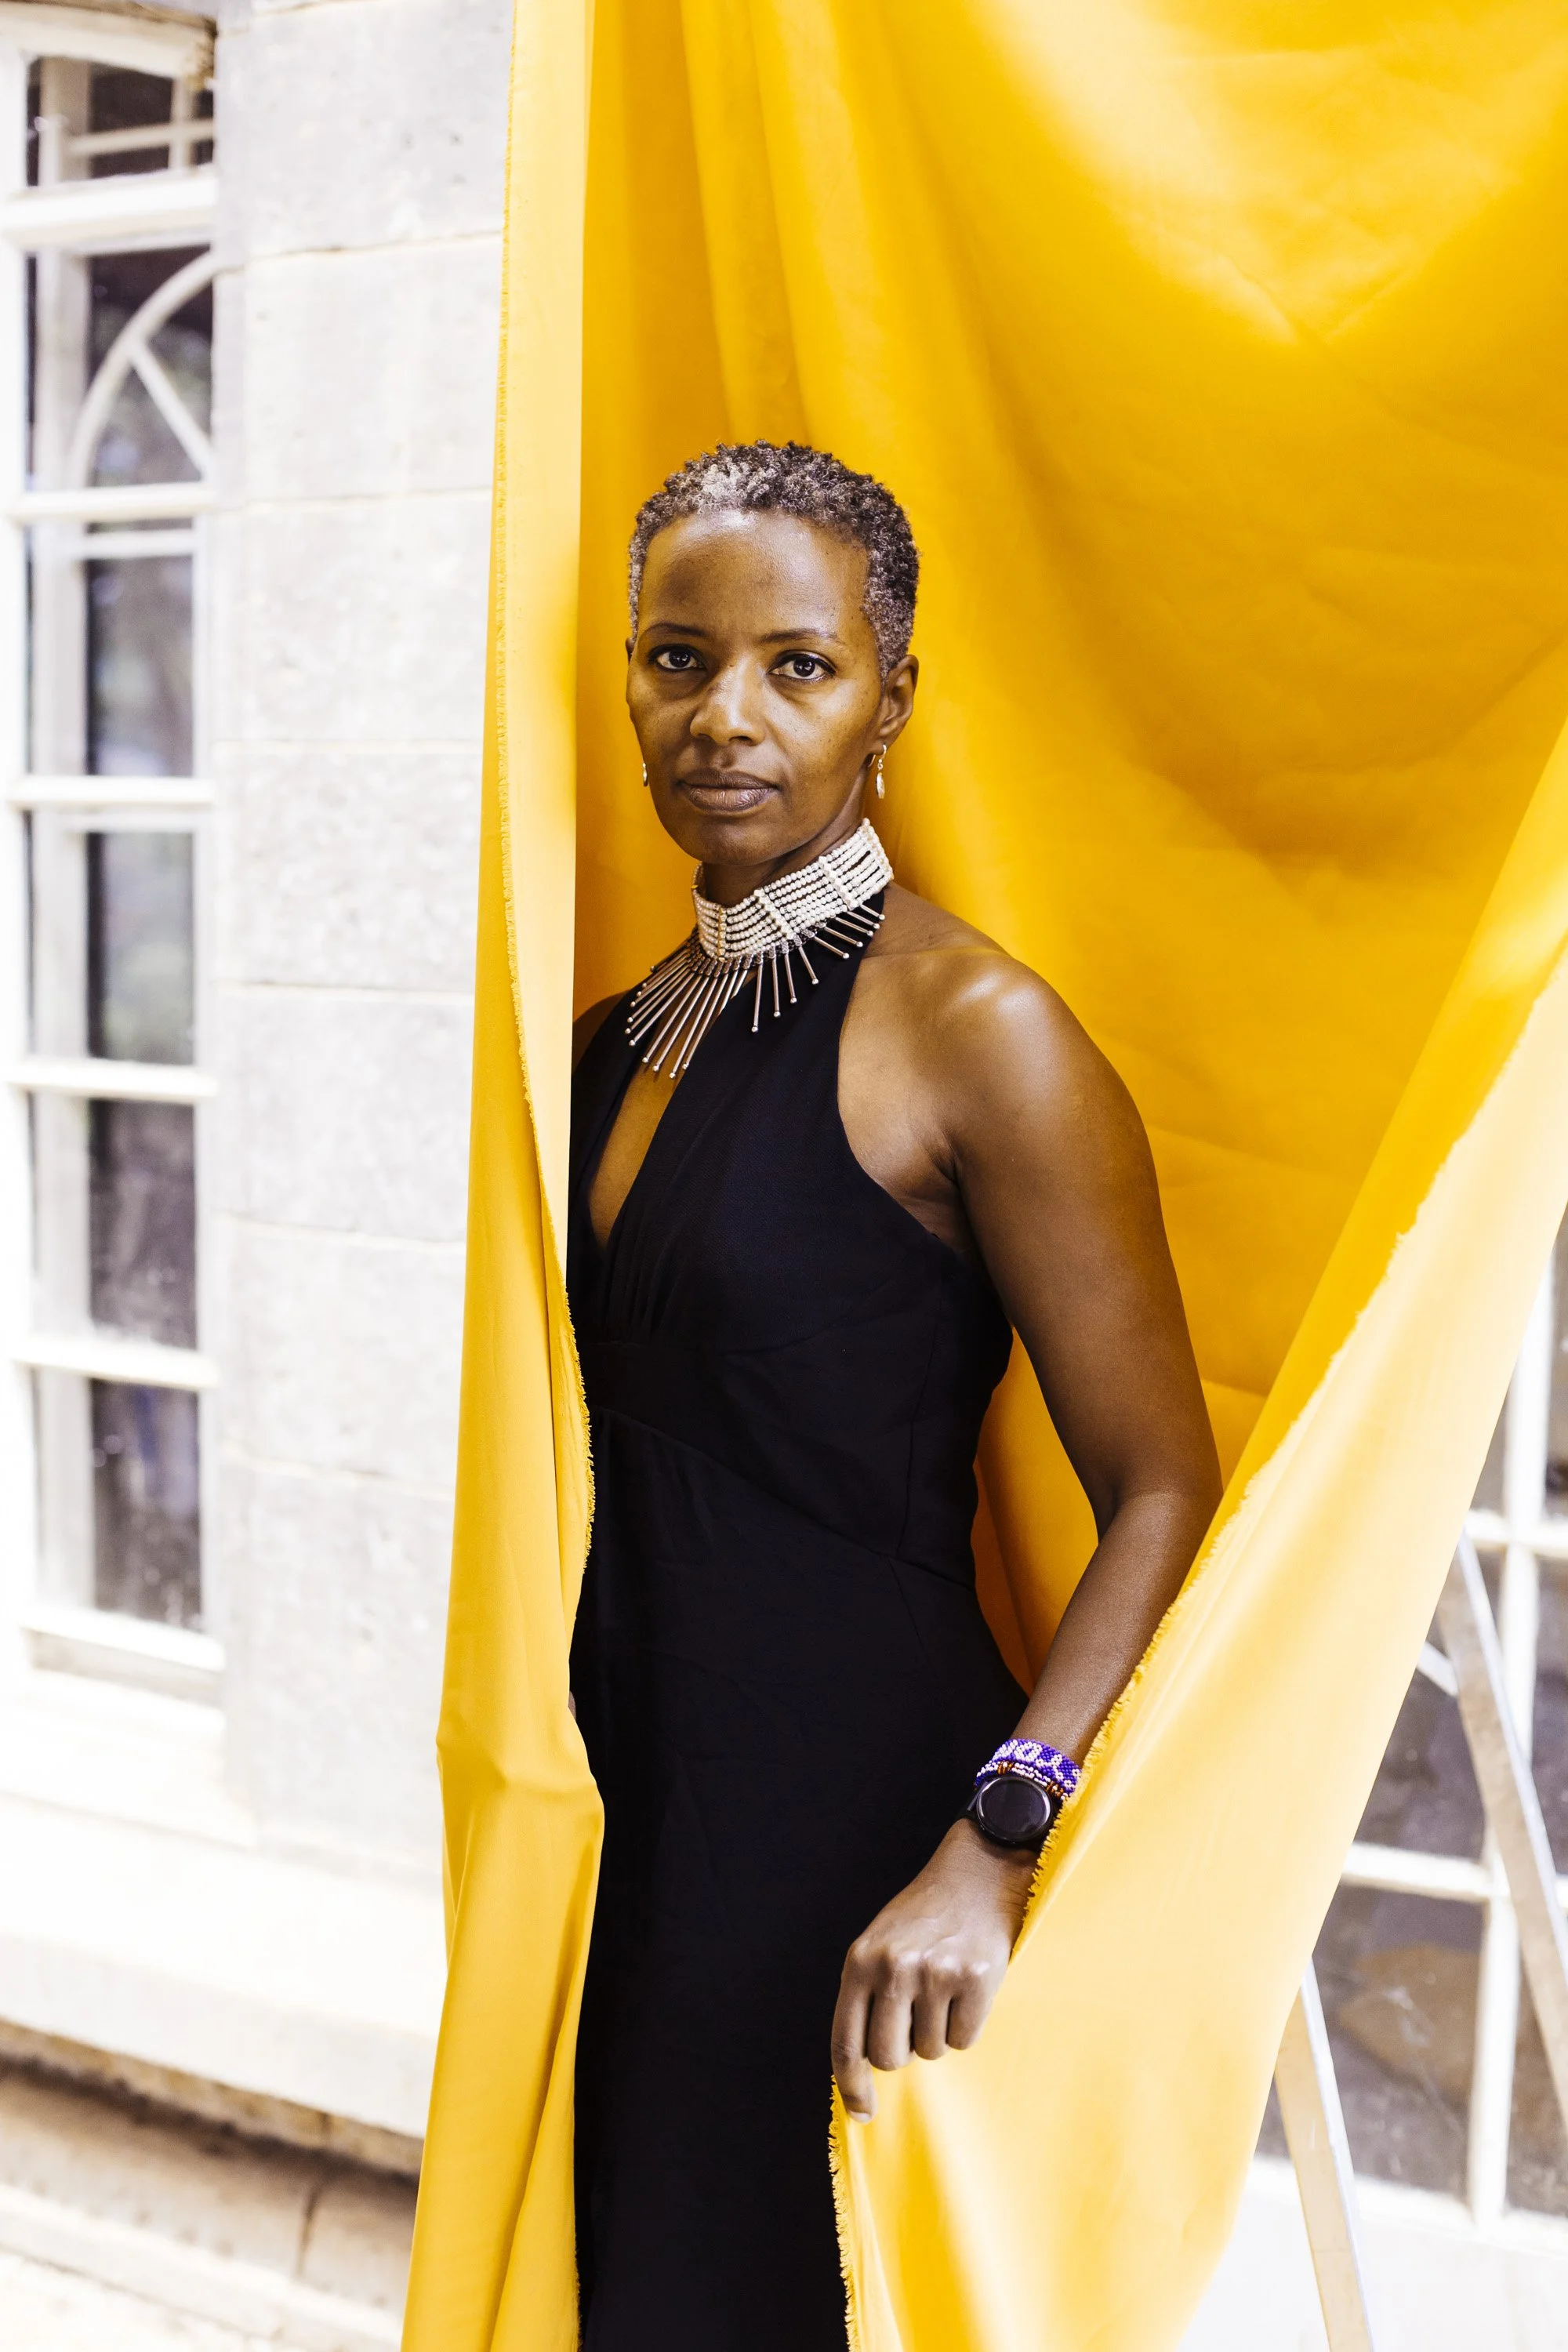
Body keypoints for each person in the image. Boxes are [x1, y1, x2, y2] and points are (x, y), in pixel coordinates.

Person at [566, 441, 1222, 2350]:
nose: (727, 719)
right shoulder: (611, 1036)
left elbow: (1163, 1484)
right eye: (678, 661)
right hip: (633, 1822)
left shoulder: (979, 1036)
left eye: (799, 666)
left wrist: (993, 1846)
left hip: (858, 1861)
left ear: (890, 698)